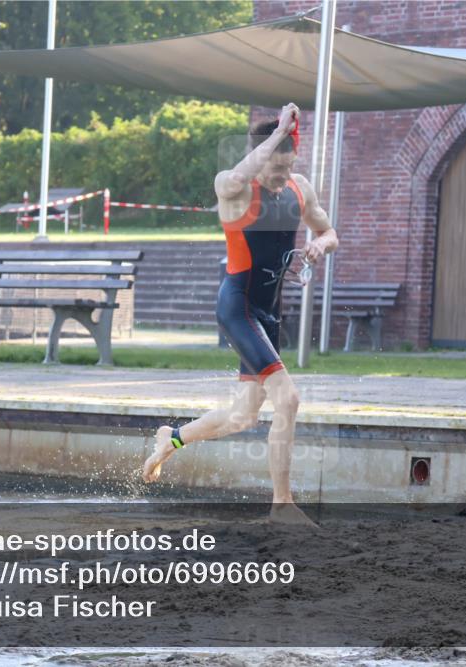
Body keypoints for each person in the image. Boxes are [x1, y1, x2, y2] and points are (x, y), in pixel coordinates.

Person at [142, 103, 338, 525]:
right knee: (289, 398)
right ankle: (281, 505)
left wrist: (322, 244)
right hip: (239, 307)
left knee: (242, 416)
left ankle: (170, 440)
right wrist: (273, 136)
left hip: (269, 313)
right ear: (260, 158)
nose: (281, 179)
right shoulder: (233, 190)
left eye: (287, 169)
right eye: (274, 170)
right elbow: (237, 175)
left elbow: (328, 229)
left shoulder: (299, 188)